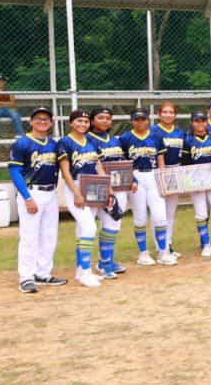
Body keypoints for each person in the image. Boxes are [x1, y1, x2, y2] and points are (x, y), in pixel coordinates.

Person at [8, 106, 65, 293]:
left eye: (46, 119)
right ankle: (26, 277)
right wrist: (26, 197)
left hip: (50, 193)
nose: (42, 122)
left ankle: (43, 272)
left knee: (49, 236)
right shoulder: (22, 143)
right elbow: (15, 171)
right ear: (31, 121)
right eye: (38, 118)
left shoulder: (54, 144)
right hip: (32, 193)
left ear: (51, 123)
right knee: (29, 237)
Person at [57, 109, 105, 288]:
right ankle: (85, 271)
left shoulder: (90, 140)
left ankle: (80, 270)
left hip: (93, 184)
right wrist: (76, 193)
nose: (83, 124)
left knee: (83, 228)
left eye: (85, 122)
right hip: (75, 186)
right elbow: (65, 171)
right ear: (71, 123)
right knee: (89, 227)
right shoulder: (65, 142)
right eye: (79, 121)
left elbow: (97, 164)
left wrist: (105, 185)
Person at [121, 108, 175, 267]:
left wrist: (162, 176)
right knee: (140, 217)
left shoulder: (156, 136)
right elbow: (123, 162)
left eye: (143, 119)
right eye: (137, 119)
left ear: (148, 120)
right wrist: (130, 179)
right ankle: (143, 253)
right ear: (132, 121)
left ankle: (163, 252)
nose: (140, 122)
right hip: (136, 177)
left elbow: (161, 158)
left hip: (153, 175)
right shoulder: (125, 138)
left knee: (160, 216)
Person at [90, 107, 129, 276]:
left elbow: (122, 161)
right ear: (92, 121)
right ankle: (103, 263)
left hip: (118, 184)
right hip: (97, 185)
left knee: (115, 223)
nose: (105, 120)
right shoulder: (88, 139)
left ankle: (107, 260)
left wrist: (132, 180)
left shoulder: (114, 139)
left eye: (108, 118)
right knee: (106, 223)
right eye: (100, 117)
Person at [181, 111, 211, 257]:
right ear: (192, 123)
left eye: (202, 121)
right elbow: (185, 163)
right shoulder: (188, 140)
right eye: (196, 121)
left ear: (207, 122)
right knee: (201, 214)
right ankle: (206, 244)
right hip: (196, 181)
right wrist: (188, 182)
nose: (200, 124)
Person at [153, 102, 186, 257]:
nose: (168, 115)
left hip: (175, 170)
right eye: (165, 112)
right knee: (159, 211)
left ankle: (168, 243)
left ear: (175, 114)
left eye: (171, 112)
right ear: (159, 114)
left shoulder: (179, 132)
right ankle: (159, 245)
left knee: (170, 212)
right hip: (158, 171)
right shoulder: (153, 131)